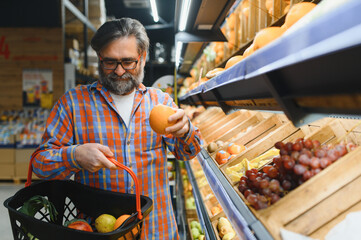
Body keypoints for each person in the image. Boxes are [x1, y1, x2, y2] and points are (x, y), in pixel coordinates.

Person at [31, 18, 202, 239]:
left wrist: (186, 130)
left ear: (142, 58)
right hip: (99, 230)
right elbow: (40, 163)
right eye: (109, 62)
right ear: (99, 58)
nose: (119, 71)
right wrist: (75, 156)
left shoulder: (160, 101)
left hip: (157, 229)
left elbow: (189, 151)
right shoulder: (73, 104)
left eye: (128, 62)